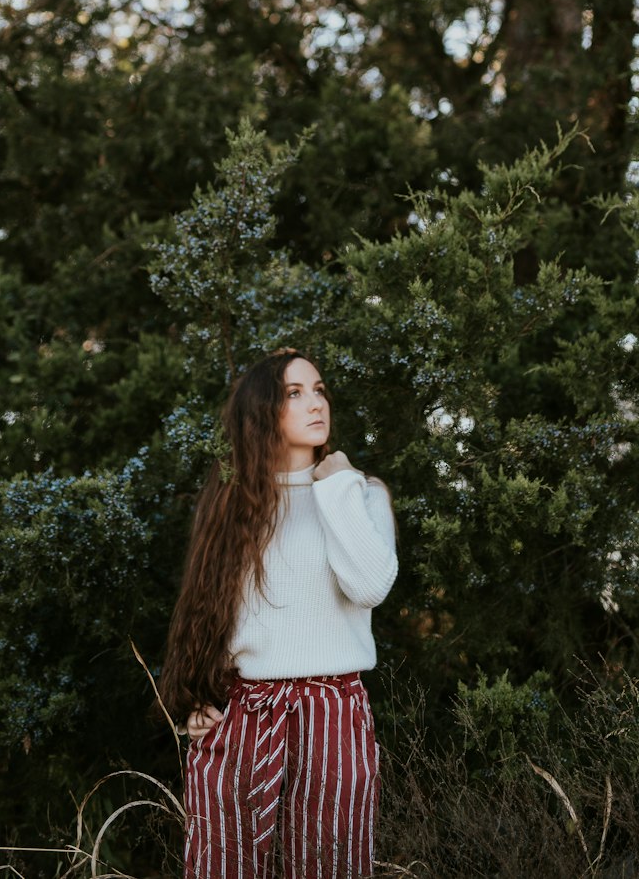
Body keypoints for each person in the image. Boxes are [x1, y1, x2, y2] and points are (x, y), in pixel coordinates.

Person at [160, 347, 398, 879]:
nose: (316, 403)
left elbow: (369, 587)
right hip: (246, 714)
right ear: (263, 410)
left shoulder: (361, 495)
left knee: (328, 868)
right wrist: (196, 695)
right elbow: (205, 610)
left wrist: (336, 483)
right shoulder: (232, 503)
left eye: (319, 391)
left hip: (333, 714)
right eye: (295, 393)